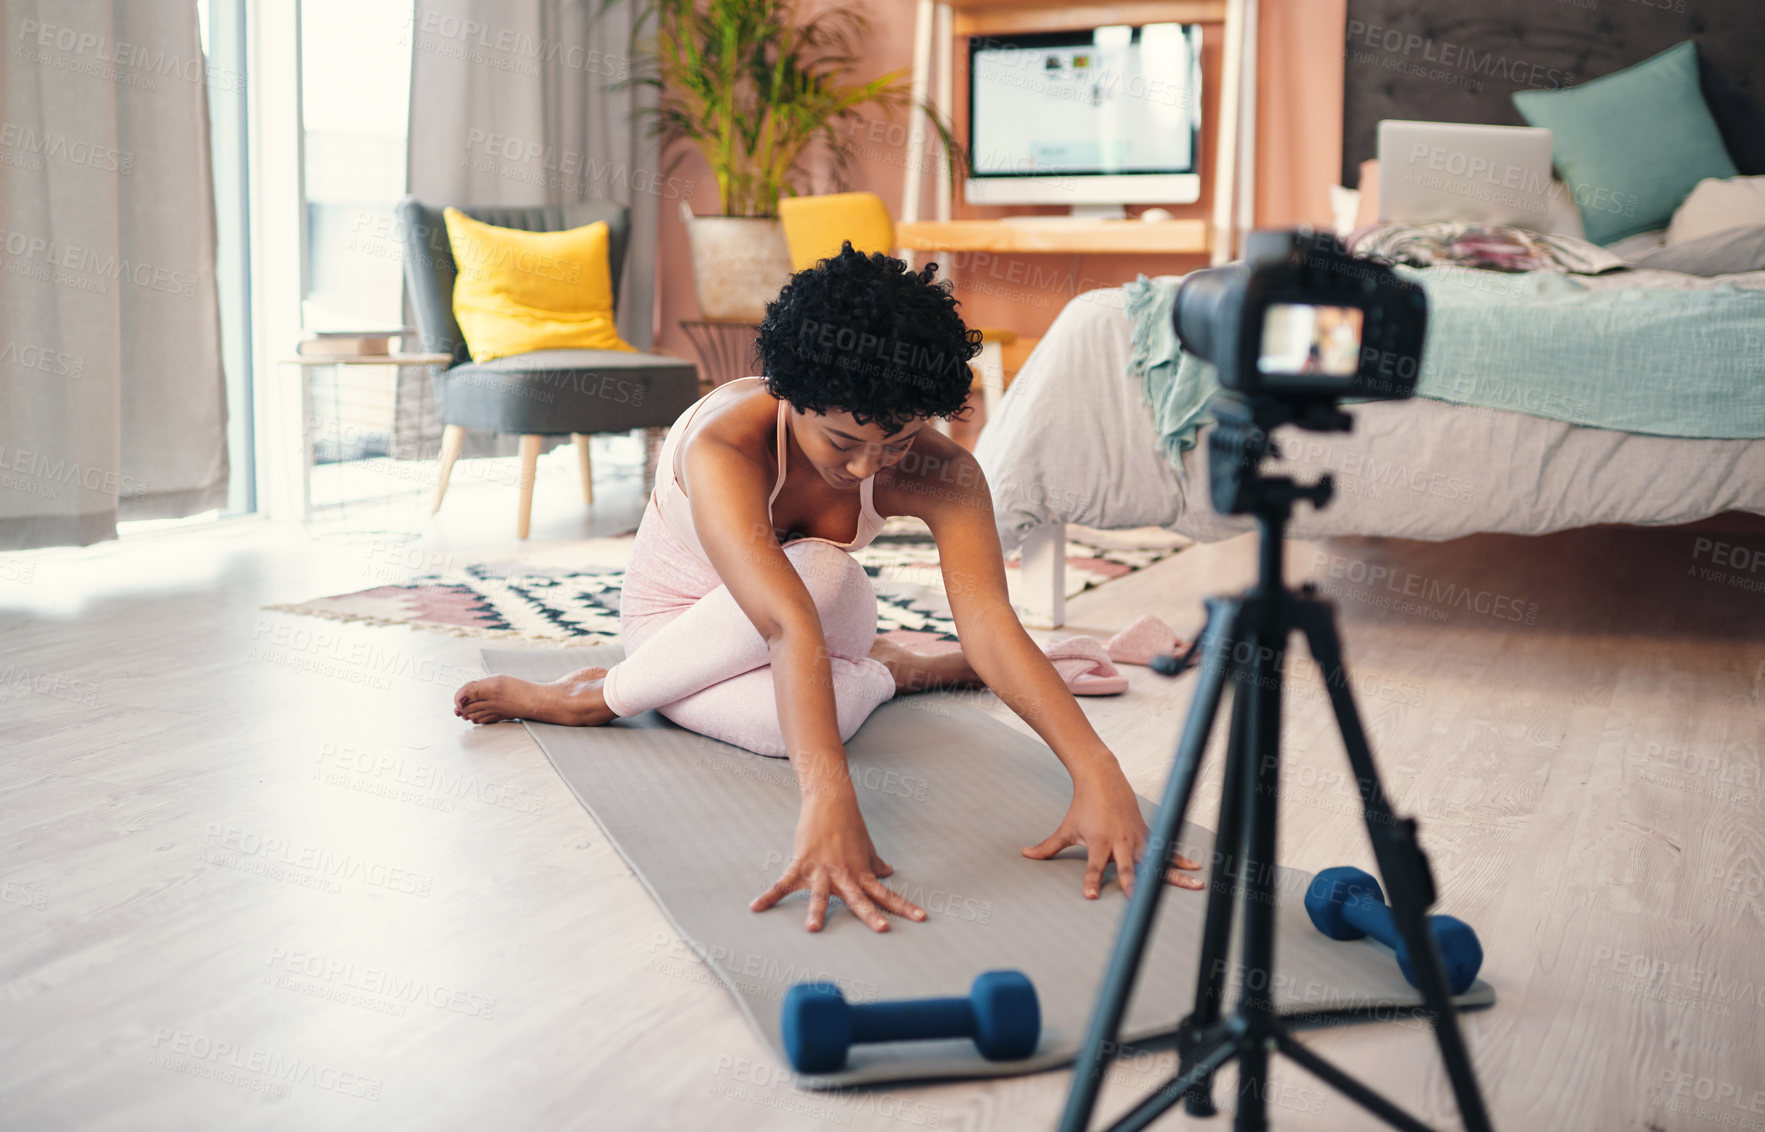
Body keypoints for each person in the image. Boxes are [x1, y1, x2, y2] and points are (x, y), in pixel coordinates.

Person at [453, 243, 1203, 932]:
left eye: (898, 442)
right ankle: (597, 694)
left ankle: (882, 662)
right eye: (842, 442)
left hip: (822, 611)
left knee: (826, 575)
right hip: (680, 632)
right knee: (803, 688)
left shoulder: (944, 474)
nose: (867, 469)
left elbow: (990, 621)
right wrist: (828, 800)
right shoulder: (726, 446)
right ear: (788, 393)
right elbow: (783, 623)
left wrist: (1098, 774)